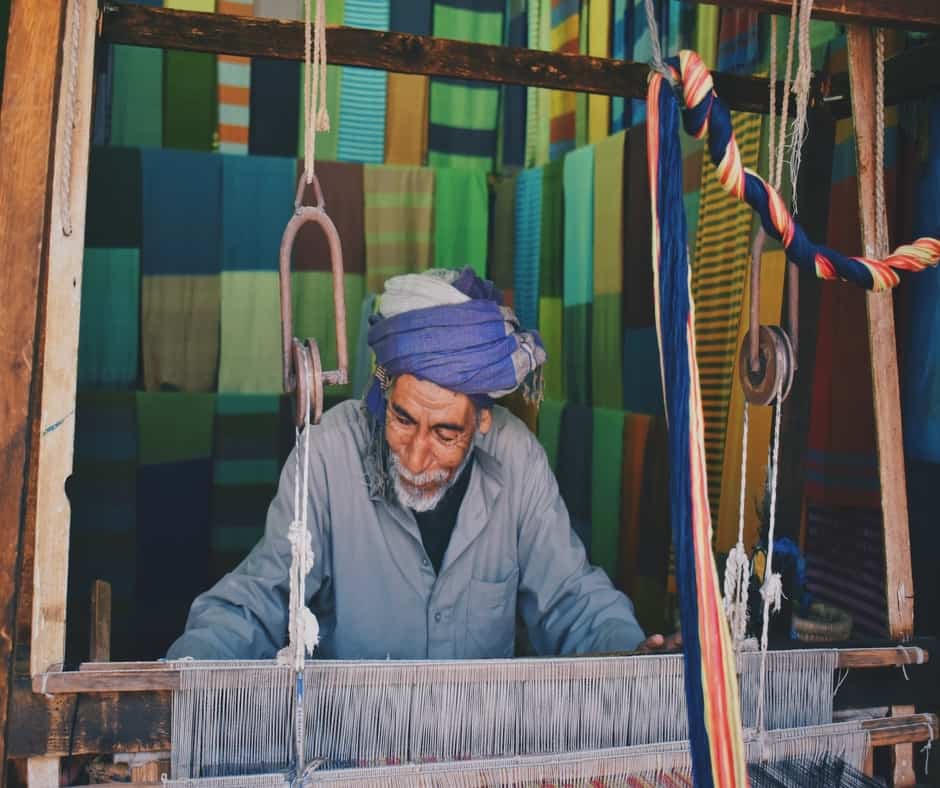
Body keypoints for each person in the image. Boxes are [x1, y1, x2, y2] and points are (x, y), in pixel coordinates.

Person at [167, 268, 677, 660]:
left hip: (476, 754)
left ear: (482, 422)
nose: (415, 456)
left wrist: (629, 656)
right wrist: (182, 684)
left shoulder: (515, 457)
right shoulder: (326, 457)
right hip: (350, 753)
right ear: (384, 392)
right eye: (403, 420)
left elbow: (569, 597)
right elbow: (260, 600)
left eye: (445, 433)